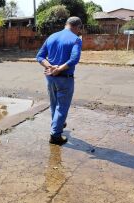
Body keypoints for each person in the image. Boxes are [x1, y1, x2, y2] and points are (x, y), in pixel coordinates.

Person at [36, 17, 83, 146]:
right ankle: (55, 135)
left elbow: (39, 56)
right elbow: (74, 59)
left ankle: (58, 125)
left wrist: (49, 66)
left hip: (50, 77)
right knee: (62, 107)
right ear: (77, 27)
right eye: (79, 29)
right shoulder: (75, 40)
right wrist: (59, 69)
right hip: (64, 78)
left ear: (66, 24)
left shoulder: (52, 37)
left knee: (54, 104)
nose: (79, 31)